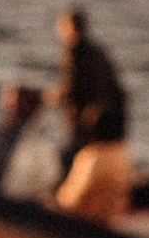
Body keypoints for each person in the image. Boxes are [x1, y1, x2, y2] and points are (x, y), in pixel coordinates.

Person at [52, 8, 126, 151]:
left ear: (69, 27)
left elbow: (72, 87)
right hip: (107, 121)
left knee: (78, 155)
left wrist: (55, 95)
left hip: (85, 120)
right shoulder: (99, 52)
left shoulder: (72, 54)